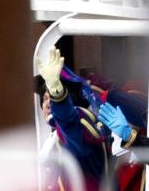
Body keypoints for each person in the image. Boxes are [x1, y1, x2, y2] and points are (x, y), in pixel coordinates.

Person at [35, 49, 107, 191]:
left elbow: (69, 122)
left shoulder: (79, 134)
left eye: (52, 98)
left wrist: (57, 90)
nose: (48, 103)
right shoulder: (52, 137)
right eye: (45, 99)